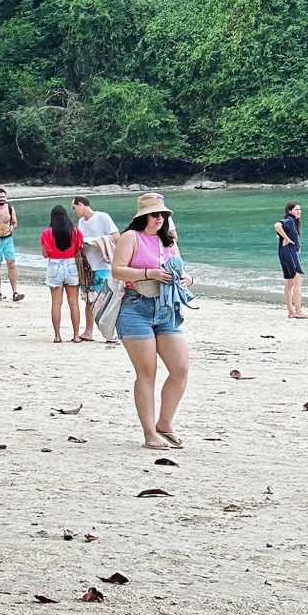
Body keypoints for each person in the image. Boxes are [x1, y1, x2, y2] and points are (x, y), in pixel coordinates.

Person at [111, 192, 191, 449]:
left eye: (164, 215)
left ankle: (164, 423)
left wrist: (187, 279)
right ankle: (149, 433)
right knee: (146, 373)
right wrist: (149, 273)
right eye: (156, 215)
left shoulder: (168, 241)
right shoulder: (130, 237)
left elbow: (179, 268)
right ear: (144, 216)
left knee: (180, 368)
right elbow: (117, 270)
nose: (160, 219)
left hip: (166, 308)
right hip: (136, 307)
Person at [73, 196, 117, 340]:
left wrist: (97, 242)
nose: (74, 211)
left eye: (74, 207)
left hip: (103, 265)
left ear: (81, 204)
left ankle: (110, 333)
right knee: (88, 300)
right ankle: (88, 331)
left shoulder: (102, 217)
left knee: (104, 299)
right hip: (87, 267)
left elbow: (116, 237)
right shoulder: (80, 222)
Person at [40, 204, 85, 343]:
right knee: (73, 303)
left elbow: (45, 254)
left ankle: (57, 336)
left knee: (56, 303)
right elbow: (79, 250)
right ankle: (76, 335)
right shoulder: (76, 232)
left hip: (54, 265)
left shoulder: (46, 233)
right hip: (71, 264)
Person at [275, 201, 307, 319]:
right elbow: (277, 225)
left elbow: (279, 233)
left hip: (286, 254)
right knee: (298, 282)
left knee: (289, 284)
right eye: (296, 209)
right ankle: (298, 311)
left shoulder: (293, 222)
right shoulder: (289, 220)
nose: (299, 211)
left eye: (300, 209)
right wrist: (287, 238)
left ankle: (290, 312)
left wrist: (284, 237)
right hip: (290, 254)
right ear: (290, 211)